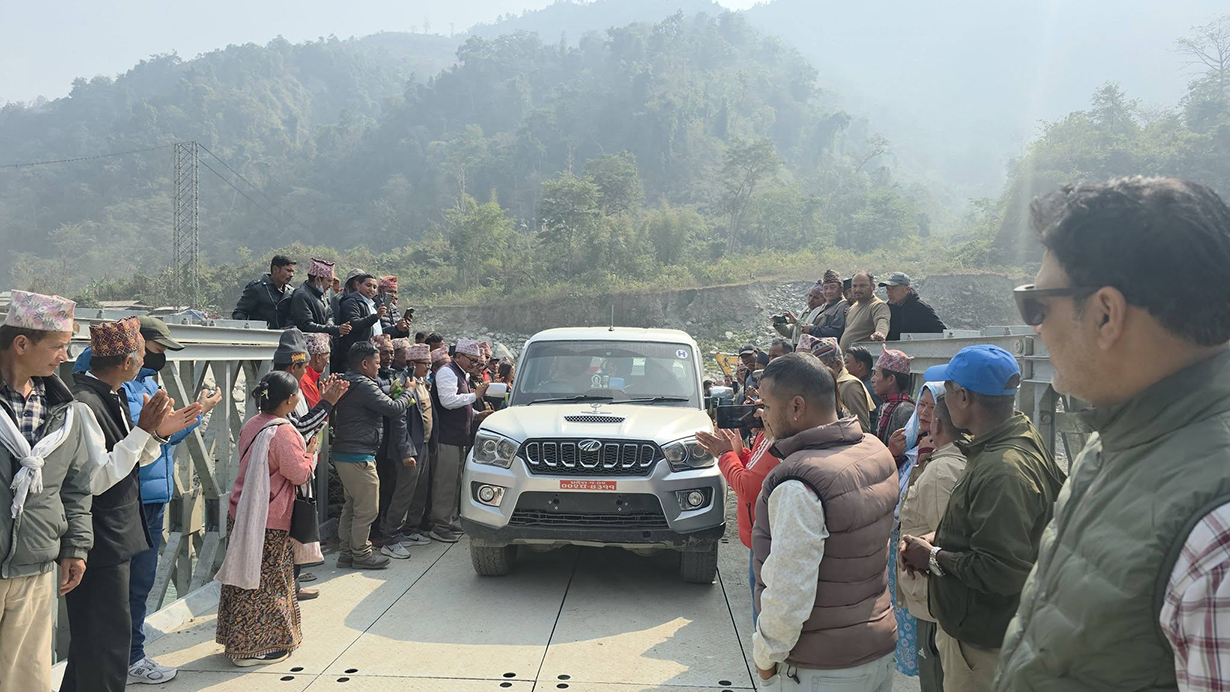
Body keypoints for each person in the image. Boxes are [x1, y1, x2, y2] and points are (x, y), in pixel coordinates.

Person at [995, 177, 1230, 691]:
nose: (1035, 327)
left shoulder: (1216, 540)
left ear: (1105, 314)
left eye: (1037, 305)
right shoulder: (1118, 438)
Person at [898, 345, 1065, 692]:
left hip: (983, 644)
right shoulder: (1013, 438)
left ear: (962, 396)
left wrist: (932, 557)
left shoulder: (1002, 469)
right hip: (994, 630)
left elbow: (1000, 570)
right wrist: (938, 538)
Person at [64, 317, 202, 692]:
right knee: (105, 644)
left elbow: (131, 457)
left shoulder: (111, 395)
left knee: (98, 642)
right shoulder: (84, 404)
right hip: (100, 537)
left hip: (117, 533)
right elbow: (96, 479)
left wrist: (157, 433)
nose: (144, 362)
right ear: (126, 361)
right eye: (142, 355)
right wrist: (143, 430)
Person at [750, 353, 898, 691]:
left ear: (796, 408)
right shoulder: (874, 451)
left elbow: (790, 589)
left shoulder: (799, 484)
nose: (763, 418)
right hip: (876, 648)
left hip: (822, 669)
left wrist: (765, 657)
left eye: (767, 407)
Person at [0, 291, 95, 692]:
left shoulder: (62, 411)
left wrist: (75, 545)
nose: (65, 355)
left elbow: (75, 486)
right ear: (21, 344)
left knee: (27, 679)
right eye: (58, 345)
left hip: (36, 569)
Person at [214, 371, 317, 667]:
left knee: (244, 579)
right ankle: (253, 650)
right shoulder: (283, 432)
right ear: (288, 400)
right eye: (297, 393)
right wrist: (310, 455)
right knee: (266, 583)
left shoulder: (253, 424)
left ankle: (238, 643)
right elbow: (298, 473)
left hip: (243, 509)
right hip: (268, 518)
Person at [270, 329, 348, 598]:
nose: (309, 371)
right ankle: (287, 589)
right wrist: (328, 403)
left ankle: (294, 584)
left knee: (298, 528)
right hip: (288, 475)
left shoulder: (289, 387)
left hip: (298, 466)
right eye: (305, 366)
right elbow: (301, 428)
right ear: (295, 365)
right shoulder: (284, 389)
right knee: (289, 531)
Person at [899, 393, 966, 692]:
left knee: (936, 681)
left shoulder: (941, 471)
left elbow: (942, 544)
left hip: (934, 605)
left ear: (938, 424)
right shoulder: (942, 461)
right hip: (934, 602)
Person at [332, 341, 415, 568]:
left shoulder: (349, 381)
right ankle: (362, 554)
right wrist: (408, 392)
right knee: (367, 509)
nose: (379, 367)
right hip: (359, 456)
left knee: (352, 506)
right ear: (365, 363)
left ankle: (346, 552)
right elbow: (392, 408)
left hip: (345, 453)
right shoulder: (363, 385)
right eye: (377, 363)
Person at [696, 411, 776, 625]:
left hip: (766, 543)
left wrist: (725, 455)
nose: (757, 412)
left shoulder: (777, 442)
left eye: (765, 404)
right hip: (759, 539)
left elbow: (746, 487)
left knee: (763, 616)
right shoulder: (768, 436)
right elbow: (754, 471)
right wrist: (739, 455)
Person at [430, 339, 492, 543]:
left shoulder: (460, 374)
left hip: (458, 438)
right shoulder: (447, 372)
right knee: (445, 483)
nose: (475, 365)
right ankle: (439, 526)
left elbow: (460, 405)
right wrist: (475, 395)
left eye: (476, 361)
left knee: (454, 481)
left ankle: (447, 520)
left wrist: (475, 414)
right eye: (471, 360)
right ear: (458, 356)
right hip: (447, 437)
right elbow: (448, 401)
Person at [382, 343, 435, 548]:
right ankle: (391, 536)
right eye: (425, 364)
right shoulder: (401, 384)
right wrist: (405, 451)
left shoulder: (421, 383)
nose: (429, 368)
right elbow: (399, 420)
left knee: (419, 492)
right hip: (410, 448)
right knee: (404, 492)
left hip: (424, 445)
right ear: (413, 363)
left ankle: (410, 530)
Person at [809, 337, 875, 434]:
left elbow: (861, 429)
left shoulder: (850, 386)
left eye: (821, 366)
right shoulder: (828, 384)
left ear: (838, 364)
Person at [776, 272, 847, 346]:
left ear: (841, 288)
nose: (828, 291)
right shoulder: (824, 308)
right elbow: (793, 333)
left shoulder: (842, 306)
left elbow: (836, 331)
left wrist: (810, 329)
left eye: (832, 287)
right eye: (826, 288)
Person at [291, 258, 352, 338]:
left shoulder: (322, 294)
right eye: (329, 281)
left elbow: (330, 314)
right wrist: (335, 329)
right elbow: (307, 325)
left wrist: (330, 324)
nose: (331, 285)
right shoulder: (301, 295)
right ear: (317, 279)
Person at [233, 255, 295, 328]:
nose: (291, 275)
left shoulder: (290, 292)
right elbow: (240, 313)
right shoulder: (257, 289)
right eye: (288, 271)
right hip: (260, 336)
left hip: (284, 337)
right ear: (275, 269)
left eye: (292, 271)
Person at [871, 349, 915, 451]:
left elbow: (906, 453)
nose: (872, 380)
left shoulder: (906, 411)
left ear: (891, 379)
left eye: (876, 374)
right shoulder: (886, 405)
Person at [881, 273, 946, 341]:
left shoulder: (921, 309)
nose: (889, 292)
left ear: (906, 289)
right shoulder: (886, 309)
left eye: (893, 288)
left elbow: (941, 332)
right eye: (888, 289)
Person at [840, 271, 891, 353]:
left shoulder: (878, 305)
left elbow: (882, 320)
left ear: (872, 287)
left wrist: (880, 333)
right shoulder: (853, 307)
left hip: (860, 361)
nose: (857, 289)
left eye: (862, 286)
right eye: (854, 286)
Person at [300, 333, 331, 407]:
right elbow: (316, 415)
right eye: (327, 357)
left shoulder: (304, 378)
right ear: (318, 357)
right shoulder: (305, 383)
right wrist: (329, 401)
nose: (328, 362)